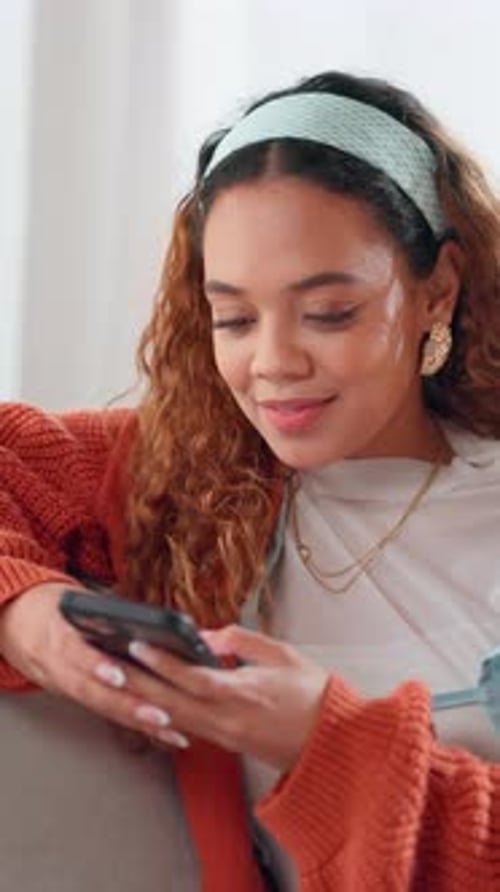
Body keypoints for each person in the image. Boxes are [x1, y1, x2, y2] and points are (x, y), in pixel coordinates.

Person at [1, 69, 500, 891]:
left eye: (329, 312)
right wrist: (25, 617)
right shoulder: (194, 487)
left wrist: (322, 742)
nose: (272, 364)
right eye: (232, 318)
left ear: (435, 290)